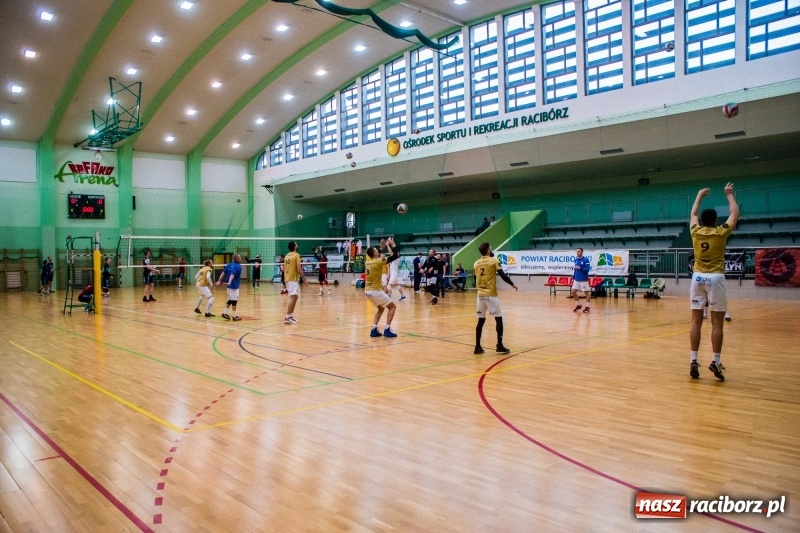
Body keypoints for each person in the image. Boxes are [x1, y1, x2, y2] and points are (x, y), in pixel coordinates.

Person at [689, 182, 739, 381]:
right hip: (716, 277)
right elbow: (734, 214)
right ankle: (715, 361)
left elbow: (692, 215)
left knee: (695, 321)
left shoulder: (695, 231)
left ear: (701, 220)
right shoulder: (721, 232)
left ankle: (693, 360)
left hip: (697, 277)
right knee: (717, 323)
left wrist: (699, 197)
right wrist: (729, 195)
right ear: (716, 220)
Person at [474, 242, 517, 354]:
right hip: (490, 294)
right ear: (488, 250)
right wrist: (512, 284)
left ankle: (477, 347)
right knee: (499, 319)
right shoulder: (493, 260)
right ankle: (499, 345)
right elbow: (502, 275)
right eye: (491, 248)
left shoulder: (476, 263)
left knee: (481, 321)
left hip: (480, 295)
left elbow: (476, 279)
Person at [365, 237, 400, 338]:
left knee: (380, 309)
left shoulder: (368, 261)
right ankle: (387, 329)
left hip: (368, 292)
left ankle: (374, 329)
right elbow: (395, 256)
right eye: (376, 250)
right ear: (374, 254)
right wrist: (393, 245)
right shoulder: (379, 261)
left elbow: (374, 255)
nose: (378, 251)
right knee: (392, 307)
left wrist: (381, 247)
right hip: (375, 291)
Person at [283, 242, 308, 324]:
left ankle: (290, 316)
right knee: (292, 297)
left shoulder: (287, 255)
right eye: (296, 244)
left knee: (295, 297)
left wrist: (285, 279)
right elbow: (299, 269)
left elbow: (284, 268)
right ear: (294, 246)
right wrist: (304, 279)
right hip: (292, 278)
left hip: (287, 278)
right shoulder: (296, 255)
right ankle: (287, 317)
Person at [216, 254, 243, 321]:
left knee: (231, 300)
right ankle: (234, 316)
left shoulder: (229, 265)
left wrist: (219, 280)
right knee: (234, 301)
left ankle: (224, 313)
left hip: (228, 286)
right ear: (237, 259)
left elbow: (223, 273)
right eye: (240, 257)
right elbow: (232, 274)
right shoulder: (238, 267)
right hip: (234, 286)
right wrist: (230, 282)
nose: (241, 259)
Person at [571, 247, 592, 313]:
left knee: (586, 293)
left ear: (582, 252)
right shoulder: (576, 260)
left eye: (579, 251)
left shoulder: (586, 260)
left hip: (583, 279)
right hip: (576, 279)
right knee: (573, 292)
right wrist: (574, 276)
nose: (577, 253)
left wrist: (580, 268)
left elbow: (587, 270)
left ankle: (588, 307)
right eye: (577, 251)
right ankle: (578, 305)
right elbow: (575, 269)